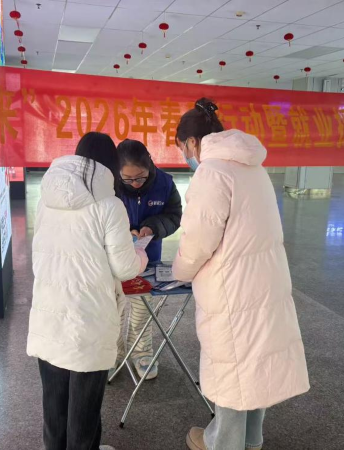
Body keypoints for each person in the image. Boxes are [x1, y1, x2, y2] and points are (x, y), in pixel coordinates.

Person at [173, 99, 310, 450]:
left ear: (192, 142)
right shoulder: (252, 166)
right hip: (265, 280)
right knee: (255, 363)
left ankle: (222, 443)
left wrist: (180, 270)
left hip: (232, 285)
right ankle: (250, 439)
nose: (185, 156)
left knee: (233, 365)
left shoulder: (212, 172)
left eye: (182, 148)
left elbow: (198, 240)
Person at [27, 132, 148, 450]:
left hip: (49, 315)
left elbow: (40, 257)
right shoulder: (110, 205)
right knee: (84, 411)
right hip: (88, 320)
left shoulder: (46, 200)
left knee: (54, 405)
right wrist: (140, 254)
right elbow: (124, 268)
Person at [114, 139, 182, 380]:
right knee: (114, 307)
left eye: (140, 177)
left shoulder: (165, 183)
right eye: (128, 179)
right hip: (114, 258)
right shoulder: (110, 184)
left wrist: (153, 227)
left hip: (148, 257)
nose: (134, 183)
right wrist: (125, 231)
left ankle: (142, 352)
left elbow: (174, 215)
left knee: (142, 307)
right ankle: (113, 353)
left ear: (150, 165)